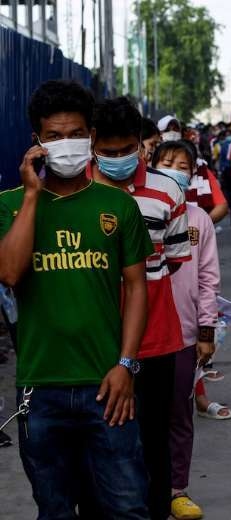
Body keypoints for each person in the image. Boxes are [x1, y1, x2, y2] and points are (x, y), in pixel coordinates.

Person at [0, 80, 151, 518]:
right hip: (41, 388)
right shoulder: (10, 205)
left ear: (91, 136)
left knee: (126, 507)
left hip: (108, 387)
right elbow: (10, 274)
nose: (67, 144)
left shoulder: (117, 206)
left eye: (76, 134)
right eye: (54, 136)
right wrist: (32, 194)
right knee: (56, 511)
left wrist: (127, 364)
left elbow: (138, 287)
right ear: (37, 142)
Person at [90, 97, 191, 520]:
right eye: (107, 153)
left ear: (142, 146)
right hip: (95, 337)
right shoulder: (79, 188)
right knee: (99, 441)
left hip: (157, 338)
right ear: (93, 145)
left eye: (125, 150)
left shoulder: (169, 191)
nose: (117, 160)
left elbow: (171, 258)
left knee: (152, 440)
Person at [154, 141, 220, 520]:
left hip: (183, 332)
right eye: (167, 163)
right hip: (139, 335)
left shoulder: (199, 220)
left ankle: (176, 488)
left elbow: (209, 279)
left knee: (179, 412)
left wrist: (206, 330)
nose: (175, 170)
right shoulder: (136, 210)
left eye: (183, 165)